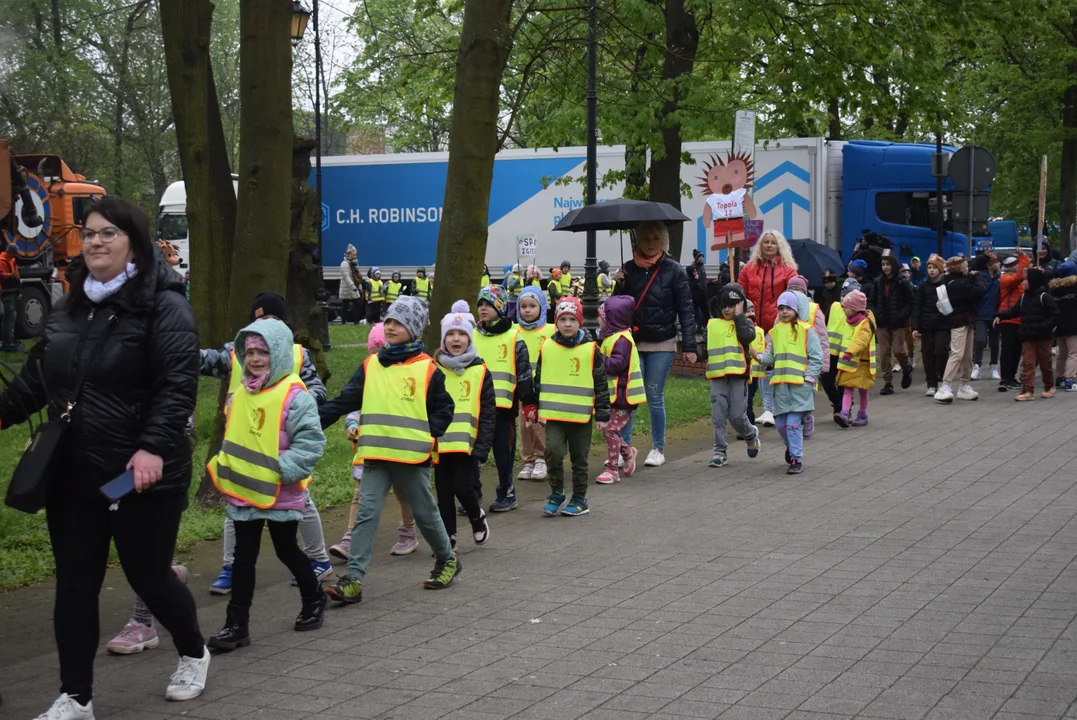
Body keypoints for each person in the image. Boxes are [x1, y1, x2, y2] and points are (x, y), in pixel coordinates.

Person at [0, 197, 209, 717]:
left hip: (135, 476)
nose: (95, 241)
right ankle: (76, 696)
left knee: (147, 574)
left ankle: (193, 651)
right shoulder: (70, 308)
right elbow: (36, 381)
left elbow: (176, 386)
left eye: (108, 233)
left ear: (133, 242)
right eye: (89, 232)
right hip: (75, 473)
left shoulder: (165, 306)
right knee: (75, 584)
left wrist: (153, 448)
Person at [321, 296, 461, 604]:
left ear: (412, 329)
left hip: (412, 458)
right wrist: (314, 420)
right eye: (388, 321)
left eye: (398, 322)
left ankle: (446, 559)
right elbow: (346, 400)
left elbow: (444, 409)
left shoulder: (427, 368)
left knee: (425, 513)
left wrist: (430, 433)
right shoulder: (371, 365)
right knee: (366, 515)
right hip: (375, 456)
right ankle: (353, 578)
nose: (390, 326)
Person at [196, 292, 332, 595]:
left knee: (301, 505)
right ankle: (230, 566)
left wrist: (296, 408)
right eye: (259, 320)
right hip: (244, 446)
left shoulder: (297, 355)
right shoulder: (237, 353)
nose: (265, 326)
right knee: (237, 505)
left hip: (280, 449)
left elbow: (317, 389)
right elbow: (208, 361)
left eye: (271, 319)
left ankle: (318, 558)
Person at [329, 323, 421, 561]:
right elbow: (354, 406)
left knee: (404, 493)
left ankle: (408, 531)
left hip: (398, 451)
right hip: (369, 452)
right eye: (372, 352)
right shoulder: (369, 374)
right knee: (360, 495)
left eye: (380, 351)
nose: (376, 358)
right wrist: (351, 425)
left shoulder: (405, 377)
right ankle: (351, 538)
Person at [612, 221, 697, 465]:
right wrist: (618, 286)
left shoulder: (674, 270)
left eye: (656, 239)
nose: (650, 243)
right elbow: (615, 309)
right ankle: (624, 448)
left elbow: (687, 310)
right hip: (633, 342)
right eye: (646, 238)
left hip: (662, 342)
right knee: (628, 396)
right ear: (637, 240)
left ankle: (657, 448)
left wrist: (689, 346)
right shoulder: (628, 270)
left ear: (664, 242)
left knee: (653, 394)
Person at [537, 297, 610, 515]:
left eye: (572, 319)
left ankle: (579, 498)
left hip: (581, 416)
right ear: (556, 323)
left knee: (579, 459)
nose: (567, 324)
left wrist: (603, 415)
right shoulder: (547, 347)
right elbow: (539, 378)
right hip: (555, 415)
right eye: (563, 319)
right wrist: (536, 407)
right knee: (553, 453)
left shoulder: (590, 349)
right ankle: (557, 492)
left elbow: (601, 383)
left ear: (580, 322)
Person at [433, 301, 494, 546]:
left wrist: (482, 446)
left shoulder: (480, 370)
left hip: (467, 444)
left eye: (461, 335)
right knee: (444, 491)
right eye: (450, 335)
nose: (456, 340)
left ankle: (477, 516)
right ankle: (449, 535)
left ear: (469, 339)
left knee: (463, 486)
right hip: (440, 442)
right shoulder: (433, 369)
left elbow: (488, 413)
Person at [471, 285, 535, 512]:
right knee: (472, 451)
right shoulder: (472, 335)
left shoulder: (514, 336)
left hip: (502, 408)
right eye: (480, 304)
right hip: (473, 406)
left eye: (488, 304)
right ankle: (472, 491)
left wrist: (528, 403)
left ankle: (507, 492)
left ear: (500, 306)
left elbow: (524, 372)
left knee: (503, 453)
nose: (482, 309)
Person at [755, 291, 823, 474]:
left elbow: (817, 357)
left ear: (797, 309)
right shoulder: (775, 332)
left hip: (800, 387)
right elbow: (771, 356)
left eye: (789, 308)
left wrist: (809, 378)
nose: (784, 312)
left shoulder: (807, 331)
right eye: (781, 308)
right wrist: (759, 357)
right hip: (781, 388)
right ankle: (792, 447)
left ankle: (796, 459)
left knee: (793, 424)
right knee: (781, 425)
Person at [737, 229, 798, 428]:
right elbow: (739, 292)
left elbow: (795, 296)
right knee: (756, 367)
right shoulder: (749, 268)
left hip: (777, 325)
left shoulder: (788, 269)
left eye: (773, 242)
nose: (769, 245)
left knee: (771, 365)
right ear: (760, 246)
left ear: (779, 246)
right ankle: (753, 411)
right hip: (753, 325)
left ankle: (771, 408)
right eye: (766, 242)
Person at [704, 283, 761, 468]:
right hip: (718, 377)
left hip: (738, 377)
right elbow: (705, 348)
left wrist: (739, 317)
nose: (727, 309)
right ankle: (720, 452)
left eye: (732, 305)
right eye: (724, 305)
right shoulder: (712, 325)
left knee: (737, 415)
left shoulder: (745, 324)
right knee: (718, 416)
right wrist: (694, 353)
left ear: (740, 305)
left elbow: (747, 337)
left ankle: (750, 434)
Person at [595, 295, 643, 483]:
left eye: (602, 316)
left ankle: (612, 469)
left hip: (625, 396)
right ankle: (628, 452)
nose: (598, 319)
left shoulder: (622, 340)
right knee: (610, 430)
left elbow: (616, 365)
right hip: (614, 395)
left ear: (612, 319)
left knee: (610, 430)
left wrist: (598, 357)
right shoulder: (612, 338)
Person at [995, 267, 1058, 401]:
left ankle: (1049, 386)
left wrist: (1044, 327)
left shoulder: (1044, 297)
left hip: (1043, 336)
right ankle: (1028, 390)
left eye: (1025, 280)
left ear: (1033, 281)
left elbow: (1055, 315)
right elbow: (1014, 311)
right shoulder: (1024, 297)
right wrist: (1000, 316)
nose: (1022, 283)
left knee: (1045, 363)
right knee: (1027, 363)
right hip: (1027, 335)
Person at [935, 256, 988, 403]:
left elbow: (972, 265)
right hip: (958, 320)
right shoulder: (957, 284)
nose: (968, 267)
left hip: (967, 320)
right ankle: (945, 386)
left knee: (967, 355)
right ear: (960, 267)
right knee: (957, 353)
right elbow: (979, 290)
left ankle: (964, 385)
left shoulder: (954, 279)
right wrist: (978, 277)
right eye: (965, 265)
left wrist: (983, 258)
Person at [516, 286, 553, 481]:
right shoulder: (514, 331)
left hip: (543, 387)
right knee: (524, 424)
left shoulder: (551, 330)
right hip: (523, 388)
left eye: (532, 306)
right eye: (523, 306)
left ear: (542, 308)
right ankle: (528, 459)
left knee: (539, 423)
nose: (527, 310)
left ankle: (541, 457)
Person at [785, 275, 827, 437]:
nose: (795, 293)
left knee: (804, 393)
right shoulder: (783, 309)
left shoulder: (813, 309)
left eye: (798, 290)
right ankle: (794, 422)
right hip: (788, 361)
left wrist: (823, 364)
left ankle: (807, 418)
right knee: (789, 393)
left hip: (808, 361)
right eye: (791, 290)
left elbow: (822, 337)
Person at [871, 255, 914, 395]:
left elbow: (911, 302)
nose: (885, 267)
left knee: (898, 351)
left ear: (893, 266)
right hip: (882, 323)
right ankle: (888, 382)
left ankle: (906, 369)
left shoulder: (902, 282)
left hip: (898, 323)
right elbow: (872, 301)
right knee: (884, 354)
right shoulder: (878, 282)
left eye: (888, 264)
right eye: (883, 264)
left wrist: (901, 316)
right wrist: (876, 315)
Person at [834, 290, 876, 427]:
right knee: (848, 388)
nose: (843, 309)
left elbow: (862, 340)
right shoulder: (847, 321)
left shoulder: (865, 323)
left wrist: (850, 352)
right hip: (849, 362)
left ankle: (862, 413)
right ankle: (845, 413)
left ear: (855, 308)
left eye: (846, 307)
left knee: (862, 389)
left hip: (861, 363)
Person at [911, 256, 949, 396]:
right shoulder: (923, 286)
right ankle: (931, 384)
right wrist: (915, 326)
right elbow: (917, 307)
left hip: (942, 325)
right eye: (929, 268)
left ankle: (944, 380)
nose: (931, 270)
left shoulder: (945, 285)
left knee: (941, 351)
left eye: (934, 268)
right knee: (927, 355)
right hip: (926, 325)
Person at [997, 252, 1031, 391]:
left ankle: (1012, 377)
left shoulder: (1019, 280)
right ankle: (1005, 378)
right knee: (1008, 349)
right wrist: (1024, 259)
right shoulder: (1005, 279)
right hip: (1008, 319)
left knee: (1017, 350)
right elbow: (1017, 278)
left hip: (1019, 319)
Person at [972, 254, 1001, 381]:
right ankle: (977, 366)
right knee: (980, 340)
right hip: (981, 313)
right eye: (996, 262)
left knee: (994, 342)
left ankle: (994, 366)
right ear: (989, 265)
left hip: (995, 314)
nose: (999, 264)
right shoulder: (980, 276)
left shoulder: (1000, 278)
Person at [1051, 261, 1077, 391]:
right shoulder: (1075, 287)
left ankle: (1060, 378)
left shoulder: (1055, 289)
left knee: (1062, 354)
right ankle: (1070, 380)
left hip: (1059, 326)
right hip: (1073, 325)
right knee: (1074, 354)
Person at [0, 242, 21, 351]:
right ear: (10, 252)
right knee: (10, 316)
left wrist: (19, 287)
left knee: (11, 316)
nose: (15, 256)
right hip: (6, 291)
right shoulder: (1, 261)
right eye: (14, 254)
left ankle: (9, 340)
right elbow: (1, 275)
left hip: (12, 291)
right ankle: (7, 342)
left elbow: (16, 273)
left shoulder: (12, 260)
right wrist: (10, 275)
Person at [339, 245, 362, 324]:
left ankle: (355, 322)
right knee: (346, 306)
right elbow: (346, 276)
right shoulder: (345, 264)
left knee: (354, 305)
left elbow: (356, 277)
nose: (355, 257)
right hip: (347, 288)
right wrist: (352, 286)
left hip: (352, 288)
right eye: (354, 255)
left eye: (356, 255)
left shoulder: (353, 264)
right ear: (349, 255)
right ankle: (345, 322)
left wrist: (359, 286)